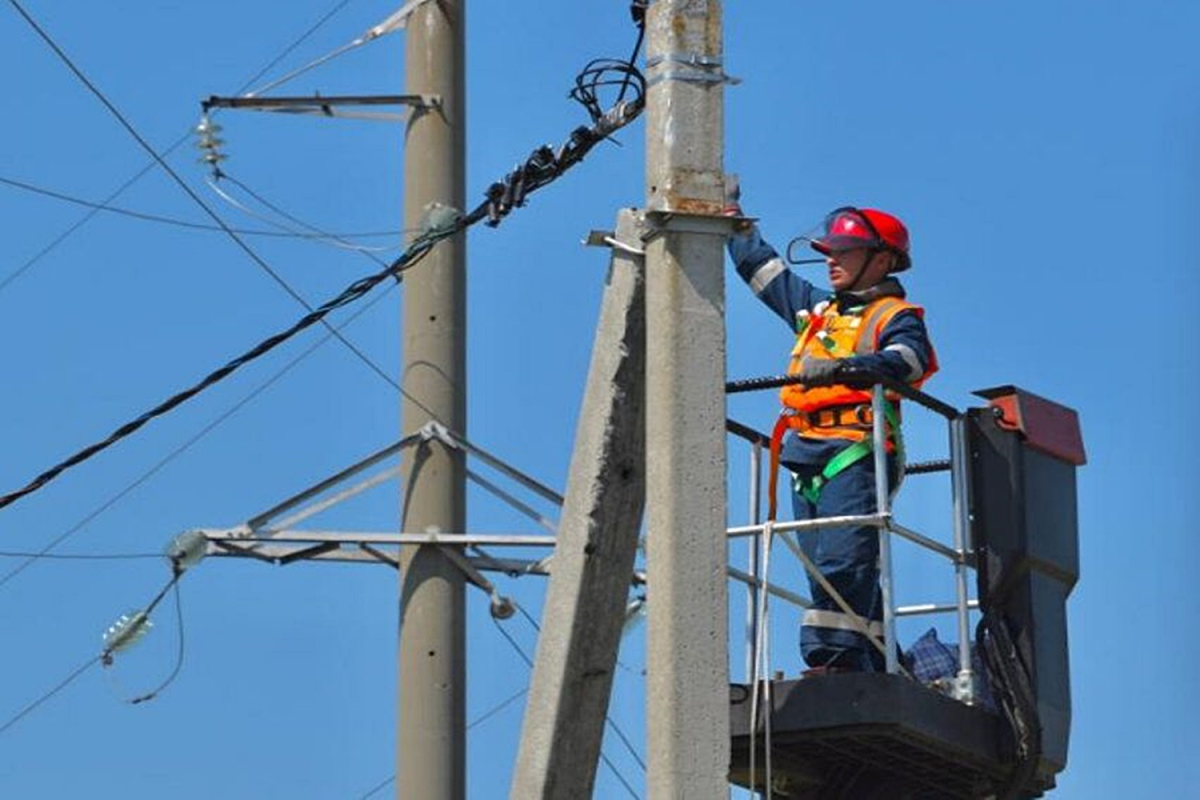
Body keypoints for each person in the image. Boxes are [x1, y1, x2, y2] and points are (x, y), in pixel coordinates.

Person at [727, 201, 938, 673]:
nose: (831, 259)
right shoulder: (819, 312)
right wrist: (736, 226)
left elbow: (909, 360)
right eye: (828, 250)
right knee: (826, 567)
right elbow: (768, 277)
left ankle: (834, 663)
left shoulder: (895, 316)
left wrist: (846, 368)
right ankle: (881, 660)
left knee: (845, 560)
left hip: (853, 451)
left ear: (881, 260)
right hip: (804, 456)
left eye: (844, 251)